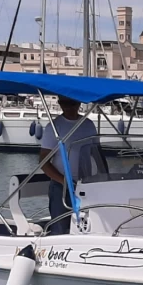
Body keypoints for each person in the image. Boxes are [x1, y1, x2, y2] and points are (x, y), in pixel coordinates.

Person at [39, 95, 99, 235]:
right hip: (62, 187)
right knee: (60, 228)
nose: (68, 107)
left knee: (89, 226)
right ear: (59, 103)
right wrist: (65, 182)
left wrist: (102, 178)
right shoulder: (53, 127)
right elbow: (43, 162)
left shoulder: (88, 125)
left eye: (71, 103)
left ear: (79, 103)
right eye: (64, 103)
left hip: (86, 185)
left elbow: (96, 154)